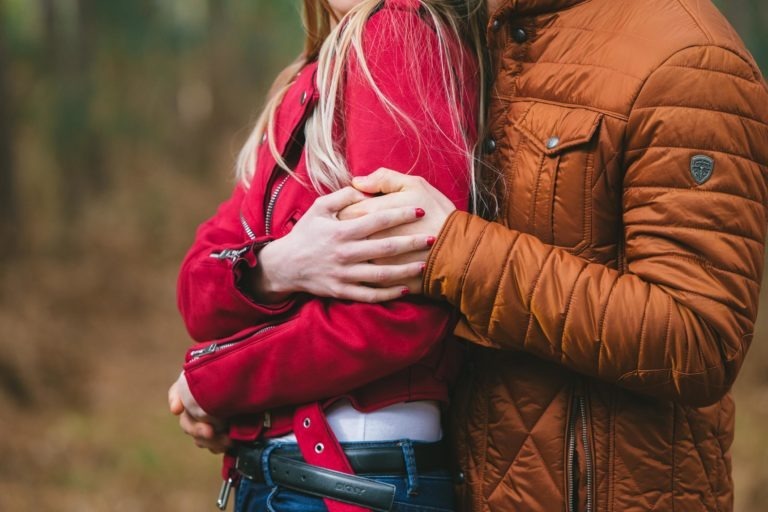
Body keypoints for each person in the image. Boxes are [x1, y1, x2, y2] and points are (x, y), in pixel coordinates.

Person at [175, 0, 768, 510]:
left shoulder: (689, 61)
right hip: (471, 485)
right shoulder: (482, 34)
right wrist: (271, 278)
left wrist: (459, 249)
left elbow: (699, 339)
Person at [168, 0, 486, 511]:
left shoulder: (398, 33)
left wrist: (216, 382)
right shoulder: (303, 79)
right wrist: (278, 267)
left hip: (348, 478)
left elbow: (403, 307)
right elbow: (197, 292)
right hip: (293, 479)